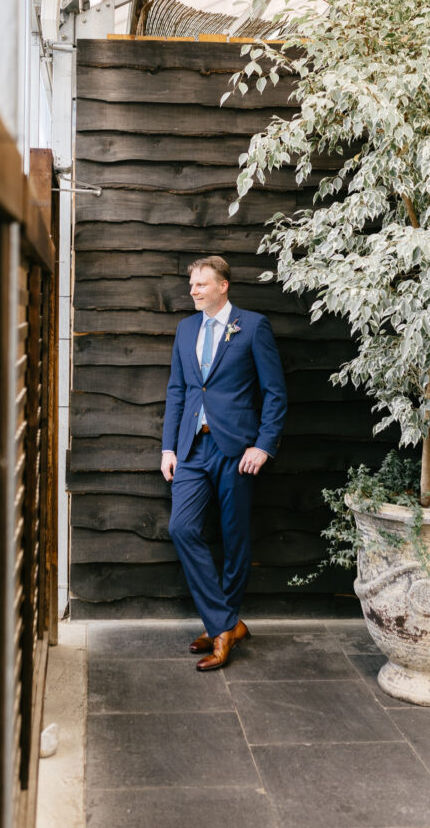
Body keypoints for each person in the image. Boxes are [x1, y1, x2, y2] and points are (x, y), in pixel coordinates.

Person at [161, 256, 287, 671]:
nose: (193, 290)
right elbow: (178, 390)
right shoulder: (185, 329)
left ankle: (222, 629)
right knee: (181, 528)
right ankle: (224, 624)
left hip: (236, 450)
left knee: (235, 540)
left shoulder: (252, 327)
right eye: (192, 284)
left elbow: (274, 393)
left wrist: (263, 446)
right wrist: (169, 448)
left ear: (223, 286)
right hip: (192, 450)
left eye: (201, 284)